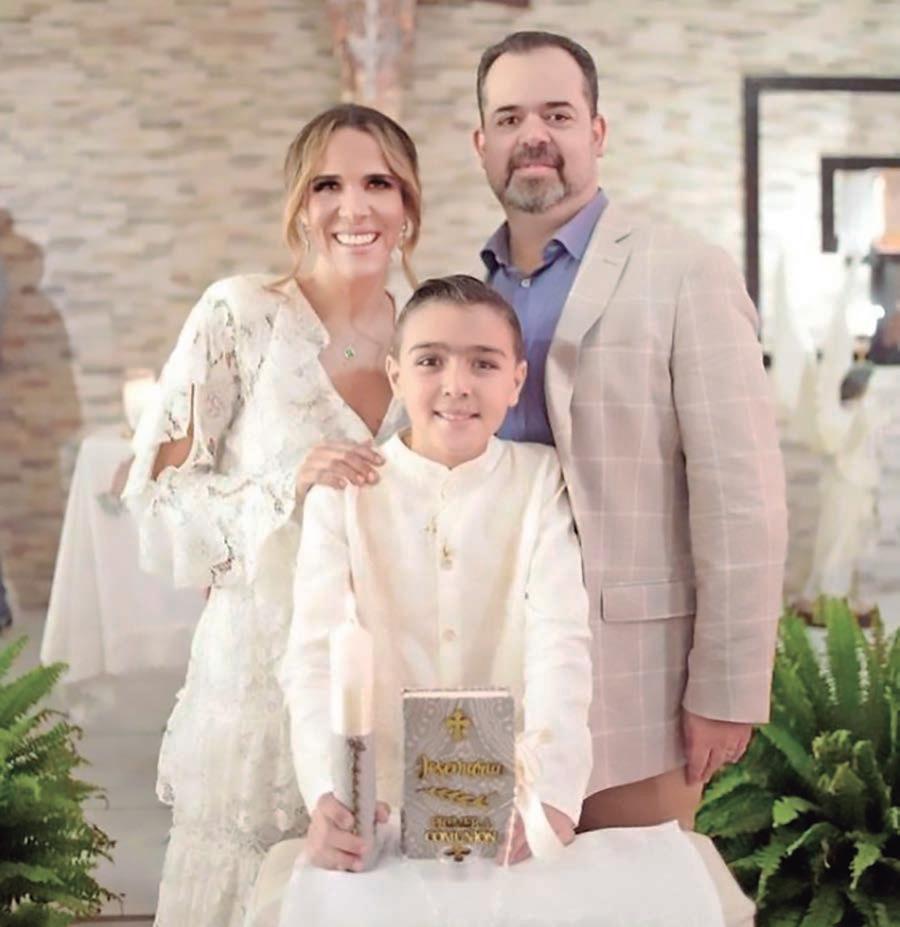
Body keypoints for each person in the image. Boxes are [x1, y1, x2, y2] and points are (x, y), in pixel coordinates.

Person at [473, 32, 788, 830]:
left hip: (635, 691)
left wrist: (727, 687)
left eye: (557, 114)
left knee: (633, 890)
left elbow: (742, 494)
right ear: (482, 144)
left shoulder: (684, 269)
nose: (533, 135)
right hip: (488, 678)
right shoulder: (465, 292)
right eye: (509, 118)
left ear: (597, 132)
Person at [122, 103, 422, 927]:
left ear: (408, 204)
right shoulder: (240, 316)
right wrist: (285, 483)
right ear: (298, 205)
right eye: (327, 185)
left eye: (378, 183)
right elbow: (156, 499)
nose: (353, 207)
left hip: (388, 675)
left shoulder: (430, 327)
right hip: (258, 679)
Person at [280, 274, 592, 872]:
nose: (457, 385)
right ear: (396, 375)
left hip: (512, 807)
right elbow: (315, 656)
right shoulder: (344, 493)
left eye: (483, 364)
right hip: (378, 808)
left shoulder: (541, 481)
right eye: (430, 361)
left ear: (516, 381)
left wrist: (552, 794)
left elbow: (561, 641)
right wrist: (329, 792)